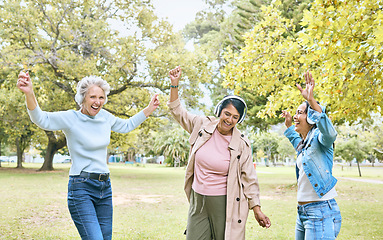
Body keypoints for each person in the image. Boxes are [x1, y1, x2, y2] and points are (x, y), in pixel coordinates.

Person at [16, 71, 159, 240]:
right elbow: (41, 119)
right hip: (81, 187)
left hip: (105, 187)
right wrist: (29, 93)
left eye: (101, 97)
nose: (97, 102)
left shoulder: (105, 117)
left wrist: (149, 109)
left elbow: (127, 125)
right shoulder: (71, 118)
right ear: (82, 98)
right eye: (92, 97)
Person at [168, 66, 271, 240]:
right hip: (198, 199)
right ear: (219, 112)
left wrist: (257, 209)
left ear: (239, 119)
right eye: (227, 114)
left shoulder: (241, 144)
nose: (229, 120)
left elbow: (249, 178)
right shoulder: (202, 125)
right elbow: (178, 112)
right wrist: (174, 85)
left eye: (235, 117)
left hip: (224, 202)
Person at [281, 71, 342, 240]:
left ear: (311, 118)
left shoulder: (321, 139)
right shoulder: (306, 143)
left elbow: (330, 133)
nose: (295, 115)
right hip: (303, 212)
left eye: (300, 112)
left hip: (320, 210)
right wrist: (288, 127)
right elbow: (297, 143)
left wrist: (311, 101)